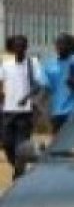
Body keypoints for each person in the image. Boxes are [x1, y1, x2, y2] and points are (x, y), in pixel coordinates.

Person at [0, 36, 44, 176]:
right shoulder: (6, 64)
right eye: (16, 46)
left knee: (21, 147)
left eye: (22, 46)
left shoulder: (32, 63)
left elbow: (38, 85)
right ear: (12, 48)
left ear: (26, 47)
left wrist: (26, 98)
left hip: (25, 113)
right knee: (6, 144)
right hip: (8, 111)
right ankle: (20, 168)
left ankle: (18, 174)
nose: (19, 49)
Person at [43, 33, 74, 134]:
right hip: (56, 112)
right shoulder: (49, 65)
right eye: (58, 44)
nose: (60, 47)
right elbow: (46, 89)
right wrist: (44, 111)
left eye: (63, 43)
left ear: (69, 45)